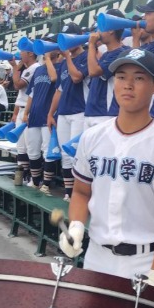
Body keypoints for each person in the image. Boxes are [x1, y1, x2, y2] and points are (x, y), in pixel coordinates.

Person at [59, 49, 154, 291]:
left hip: (144, 260)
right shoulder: (92, 137)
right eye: (121, 77)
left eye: (139, 78)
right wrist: (76, 225)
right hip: (96, 255)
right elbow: (81, 192)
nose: (128, 85)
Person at [22, 36, 61, 194]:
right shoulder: (38, 70)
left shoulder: (60, 66)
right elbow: (31, 93)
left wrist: (48, 58)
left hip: (48, 115)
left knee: (47, 150)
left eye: (48, 47)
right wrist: (26, 112)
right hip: (35, 115)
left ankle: (46, 183)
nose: (45, 50)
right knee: (32, 149)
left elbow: (54, 78)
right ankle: (35, 181)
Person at [55, 23, 89, 201]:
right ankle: (69, 192)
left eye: (70, 38)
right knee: (65, 154)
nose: (67, 42)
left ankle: (79, 194)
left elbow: (76, 78)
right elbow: (59, 89)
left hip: (79, 110)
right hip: (64, 111)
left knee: (77, 154)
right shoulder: (62, 63)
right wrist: (51, 113)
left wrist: (67, 57)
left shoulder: (86, 56)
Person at [84, 9, 130, 129]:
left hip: (105, 113)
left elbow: (93, 72)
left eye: (101, 26)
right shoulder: (106, 54)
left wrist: (91, 45)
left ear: (111, 30)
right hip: (92, 112)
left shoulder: (121, 53)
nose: (97, 31)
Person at [10, 46, 41, 185]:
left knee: (31, 147)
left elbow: (18, 85)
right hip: (22, 109)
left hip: (30, 110)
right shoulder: (27, 68)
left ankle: (34, 178)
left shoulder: (35, 67)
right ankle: (23, 176)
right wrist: (15, 112)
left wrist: (15, 66)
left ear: (30, 53)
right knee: (21, 146)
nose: (20, 54)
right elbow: (20, 93)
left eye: (22, 51)